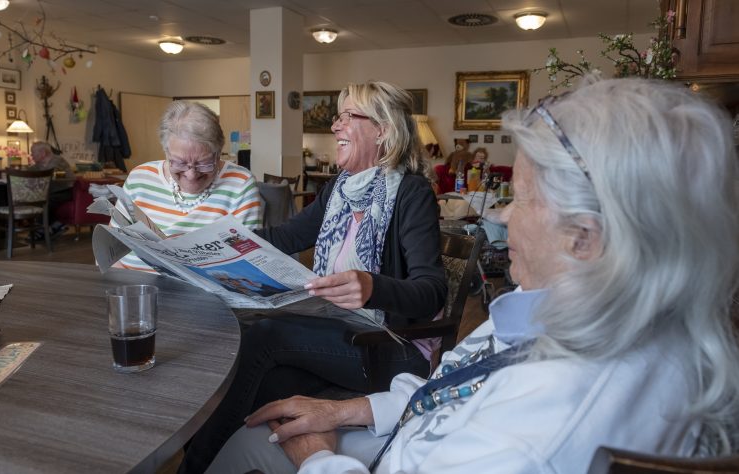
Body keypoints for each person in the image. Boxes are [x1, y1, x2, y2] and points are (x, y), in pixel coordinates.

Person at [207, 77, 739, 473]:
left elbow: (430, 299)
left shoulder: (537, 432)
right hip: (405, 416)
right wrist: (347, 410)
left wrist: (317, 458)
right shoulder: (555, 311)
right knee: (271, 391)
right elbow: (451, 384)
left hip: (386, 365)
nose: (501, 216)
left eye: (521, 199)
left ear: (585, 236)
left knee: (258, 406)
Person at [179, 81, 447, 473]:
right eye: (337, 117)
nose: (335, 126)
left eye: (347, 116)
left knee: (267, 335)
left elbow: (432, 291)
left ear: (383, 130)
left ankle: (191, 469)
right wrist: (211, 244)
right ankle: (208, 460)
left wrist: (372, 287)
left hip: (390, 346)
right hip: (343, 333)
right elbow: (285, 237)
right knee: (264, 386)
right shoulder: (339, 189)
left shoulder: (411, 193)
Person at [110, 101, 262, 271]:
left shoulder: (240, 184)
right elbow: (113, 246)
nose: (191, 175)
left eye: (204, 163)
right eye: (180, 163)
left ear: (219, 153)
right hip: (131, 283)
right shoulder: (140, 178)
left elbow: (250, 261)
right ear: (166, 152)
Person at [28, 141, 74, 238]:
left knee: (44, 200)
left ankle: (42, 229)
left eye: (33, 153)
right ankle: (55, 225)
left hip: (64, 191)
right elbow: (31, 171)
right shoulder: (39, 164)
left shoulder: (58, 161)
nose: (31, 155)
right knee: (36, 198)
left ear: (43, 153)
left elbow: (49, 173)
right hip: (50, 192)